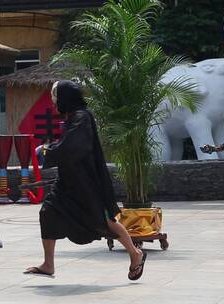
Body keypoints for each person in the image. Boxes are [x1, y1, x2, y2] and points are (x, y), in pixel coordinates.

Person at [23, 80, 146, 280]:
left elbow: (74, 147)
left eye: (57, 98)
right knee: (47, 213)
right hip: (67, 182)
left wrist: (48, 151)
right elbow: (68, 143)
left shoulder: (82, 117)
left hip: (86, 183)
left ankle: (135, 253)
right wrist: (53, 148)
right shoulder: (74, 117)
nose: (54, 103)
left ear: (66, 99)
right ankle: (48, 264)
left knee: (105, 221)